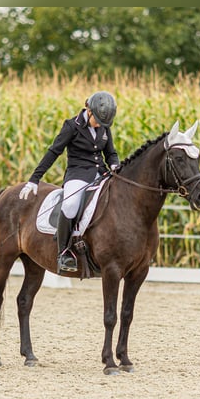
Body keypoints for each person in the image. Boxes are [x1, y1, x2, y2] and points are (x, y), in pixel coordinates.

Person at [19, 91, 120, 272]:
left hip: (102, 174)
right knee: (71, 205)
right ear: (88, 111)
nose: (99, 126)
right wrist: (34, 179)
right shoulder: (72, 126)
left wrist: (114, 164)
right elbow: (53, 152)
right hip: (78, 174)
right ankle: (64, 252)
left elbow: (110, 153)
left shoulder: (104, 126)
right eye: (97, 120)